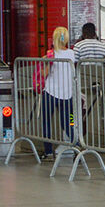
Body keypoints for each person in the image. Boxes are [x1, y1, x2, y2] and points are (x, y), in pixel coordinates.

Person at [39, 27, 78, 159]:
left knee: (46, 122)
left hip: (51, 92)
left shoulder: (51, 54)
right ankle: (77, 147)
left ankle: (48, 151)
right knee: (68, 123)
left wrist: (44, 62)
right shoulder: (72, 54)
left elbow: (45, 73)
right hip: (67, 94)